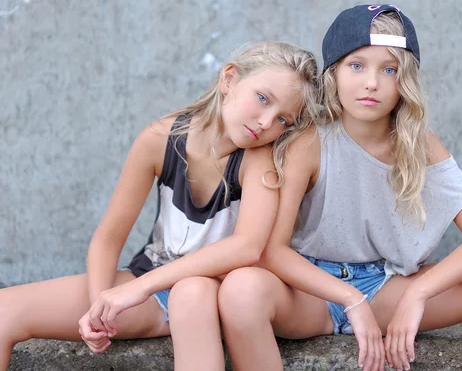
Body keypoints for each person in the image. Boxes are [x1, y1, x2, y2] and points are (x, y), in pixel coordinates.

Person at [218, 5, 462, 371]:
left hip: (388, 288)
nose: (371, 82)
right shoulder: (310, 143)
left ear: (404, 80)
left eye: (389, 69)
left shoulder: (421, 145)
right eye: (356, 66)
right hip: (311, 293)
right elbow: (273, 252)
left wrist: (417, 294)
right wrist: (349, 299)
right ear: (334, 73)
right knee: (240, 289)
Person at [0, 41, 321, 371]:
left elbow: (247, 248)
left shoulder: (259, 161)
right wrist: (101, 303)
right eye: (263, 98)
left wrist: (137, 289)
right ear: (229, 79)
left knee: (192, 291)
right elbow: (109, 237)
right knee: (5, 310)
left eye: (283, 119)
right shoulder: (160, 139)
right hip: (152, 284)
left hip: (213, 294)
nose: (267, 122)